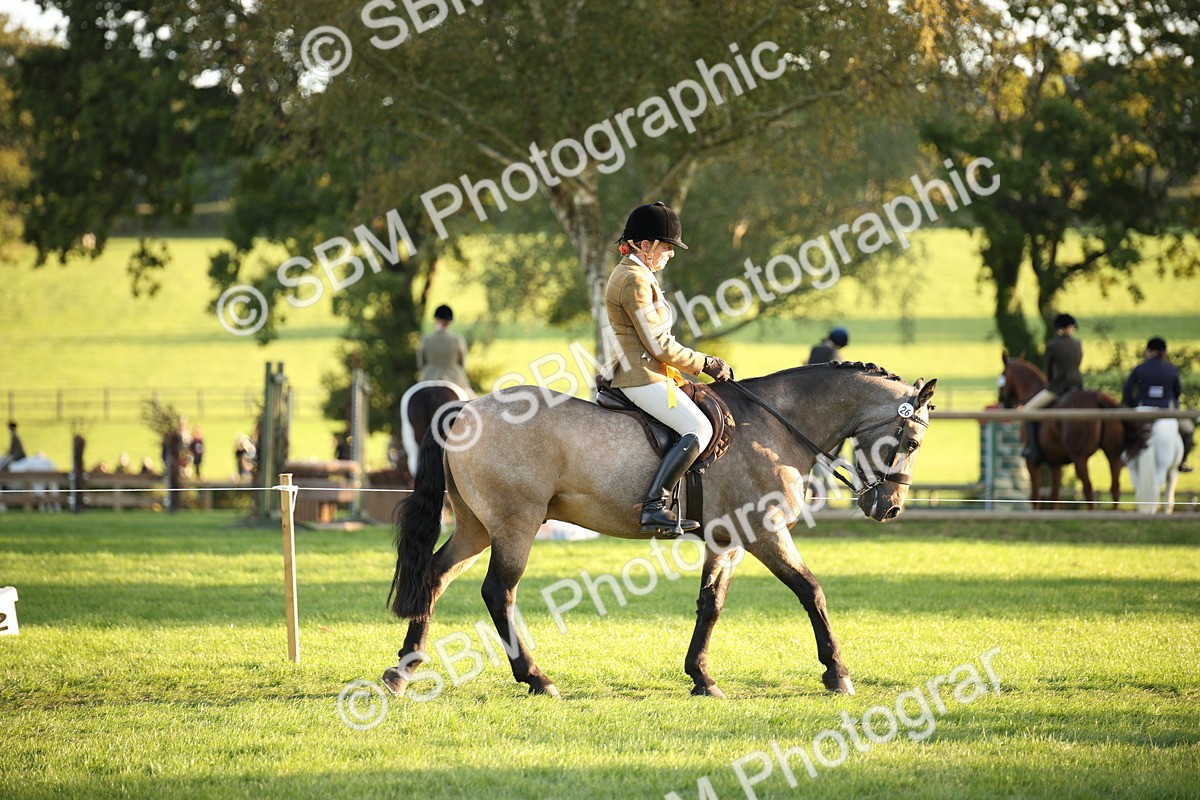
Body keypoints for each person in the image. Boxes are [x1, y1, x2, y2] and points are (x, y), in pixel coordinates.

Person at [604, 201, 734, 535]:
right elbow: (659, 345)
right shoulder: (634, 279)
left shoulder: (638, 274)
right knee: (699, 430)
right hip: (641, 374)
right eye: (666, 246)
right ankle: (653, 506)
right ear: (644, 246)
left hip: (649, 371)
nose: (671, 253)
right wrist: (705, 363)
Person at [1123, 336, 1192, 472]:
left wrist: (1133, 405)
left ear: (1149, 351)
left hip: (1143, 407)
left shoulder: (1139, 369)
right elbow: (1178, 391)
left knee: (1124, 428)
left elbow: (1127, 390)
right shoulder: (1171, 369)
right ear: (1164, 352)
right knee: (1188, 430)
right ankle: (1182, 462)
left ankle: (1125, 457)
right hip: (1166, 408)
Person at [1020, 313, 1083, 460]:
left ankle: (1032, 448)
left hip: (1059, 387)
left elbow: (1048, 370)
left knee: (1026, 411)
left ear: (1059, 329)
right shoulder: (1078, 343)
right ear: (1070, 328)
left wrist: (1049, 384)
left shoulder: (1052, 345)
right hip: (1078, 385)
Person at [418, 304, 473, 393]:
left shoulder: (426, 339)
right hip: (455, 379)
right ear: (450, 321)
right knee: (473, 402)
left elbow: (421, 364)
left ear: (435, 319)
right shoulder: (457, 339)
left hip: (428, 379)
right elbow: (462, 363)